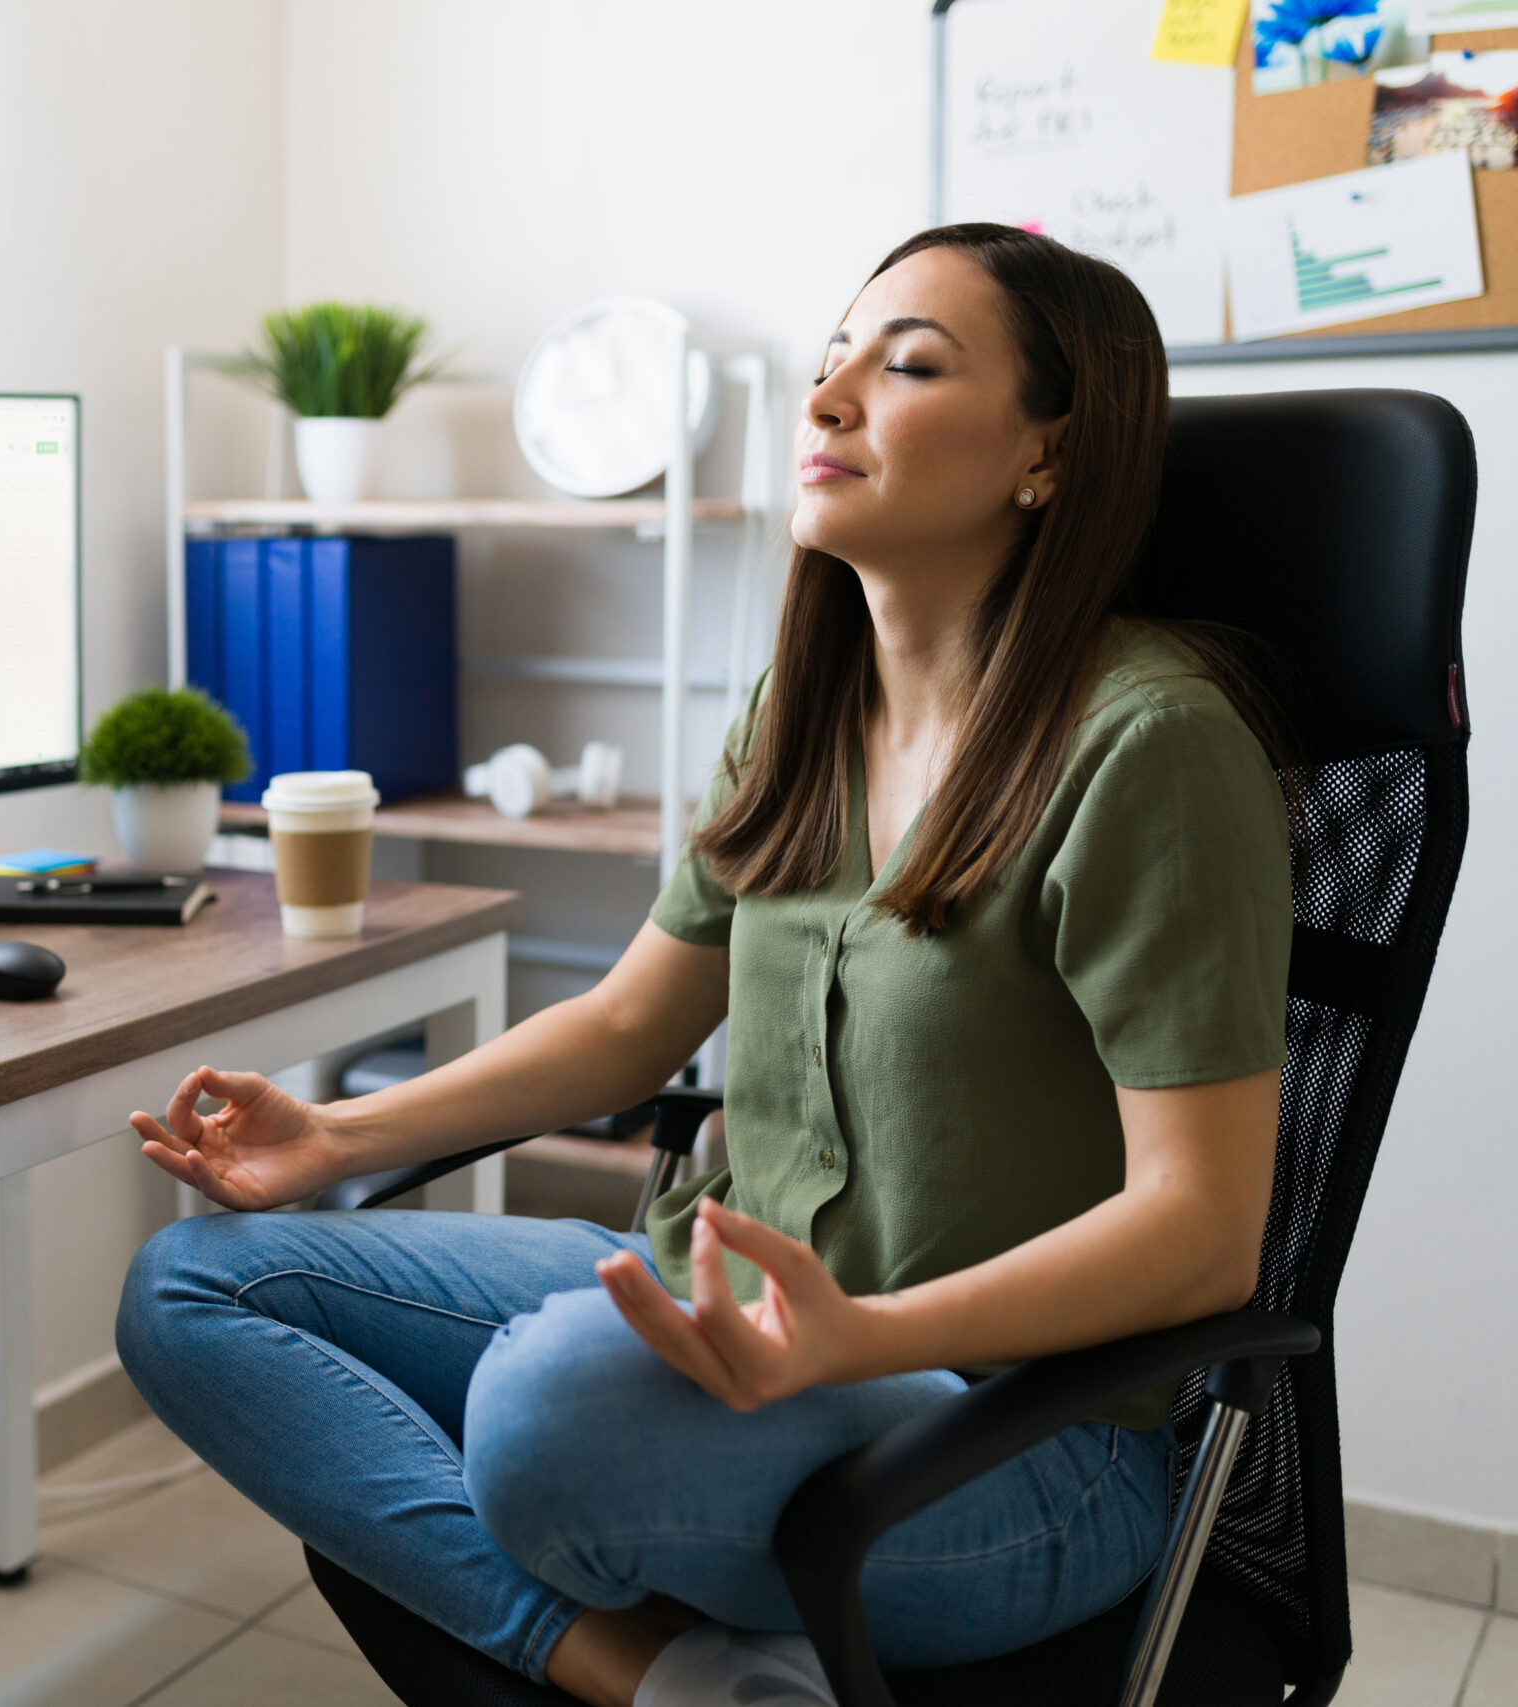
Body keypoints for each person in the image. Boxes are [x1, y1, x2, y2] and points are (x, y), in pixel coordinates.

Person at [112, 223, 1294, 1707]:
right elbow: (625, 1026)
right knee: (195, 1285)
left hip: (1020, 1441)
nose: (828, 399)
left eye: (909, 364)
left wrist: (863, 1337)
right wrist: (335, 1136)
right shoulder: (803, 712)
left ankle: (637, 1602)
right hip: (737, 1310)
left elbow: (1203, 1231)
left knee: (546, 1416)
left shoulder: (1151, 745)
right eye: (827, 365)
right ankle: (670, 1678)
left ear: (1048, 455)